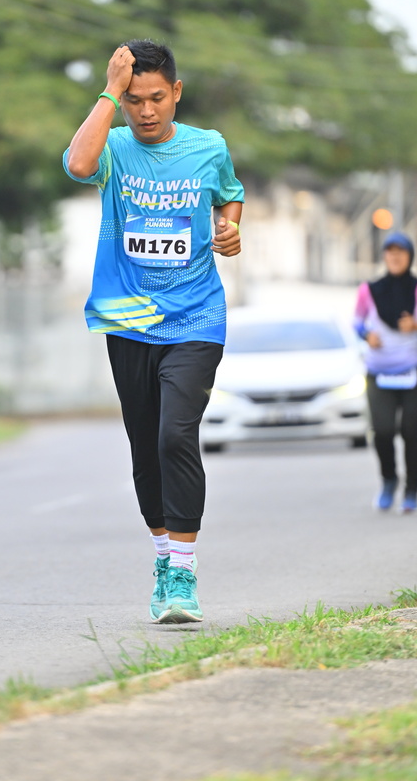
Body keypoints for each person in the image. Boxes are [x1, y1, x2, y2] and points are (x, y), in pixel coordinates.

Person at [63, 39, 244, 623]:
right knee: (145, 445)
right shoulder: (113, 147)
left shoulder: (208, 146)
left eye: (156, 98)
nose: (145, 111)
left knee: (174, 435)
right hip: (129, 319)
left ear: (177, 92)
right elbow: (78, 165)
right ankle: (164, 559)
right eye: (134, 100)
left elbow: (230, 196)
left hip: (196, 316)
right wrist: (108, 91)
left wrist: (229, 229)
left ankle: (183, 575)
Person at [353, 231, 417, 513]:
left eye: (400, 252)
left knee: (412, 432)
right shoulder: (369, 290)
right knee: (382, 431)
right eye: (390, 252)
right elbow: (357, 323)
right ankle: (389, 479)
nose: (395, 257)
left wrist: (415, 325)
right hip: (379, 373)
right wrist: (367, 335)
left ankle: (412, 488)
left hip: (412, 372)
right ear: (384, 256)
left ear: (409, 256)